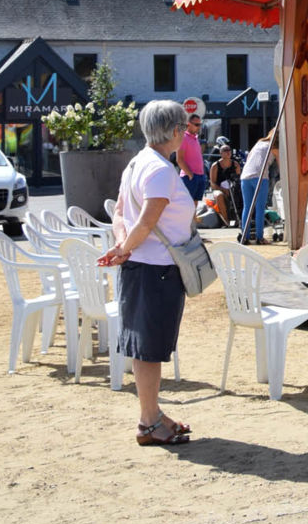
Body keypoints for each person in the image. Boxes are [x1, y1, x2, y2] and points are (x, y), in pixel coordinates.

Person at [97, 100, 195, 446]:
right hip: (157, 269)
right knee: (150, 348)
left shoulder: (138, 163)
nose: (186, 133)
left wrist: (123, 246)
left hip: (145, 266)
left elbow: (121, 214)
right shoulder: (160, 170)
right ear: (173, 131)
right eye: (184, 128)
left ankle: (151, 415)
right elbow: (145, 220)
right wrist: (124, 248)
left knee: (145, 347)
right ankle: (149, 421)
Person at [240, 128, 279, 245]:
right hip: (260, 177)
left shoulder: (259, 143)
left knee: (247, 207)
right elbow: (281, 165)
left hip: (245, 176)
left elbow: (248, 158)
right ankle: (259, 237)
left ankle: (245, 237)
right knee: (260, 208)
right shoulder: (274, 148)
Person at [207, 142, 242, 223]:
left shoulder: (235, 164)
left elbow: (238, 180)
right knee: (219, 195)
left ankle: (239, 218)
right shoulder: (215, 166)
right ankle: (227, 221)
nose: (228, 152)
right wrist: (223, 190)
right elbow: (213, 184)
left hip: (233, 189)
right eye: (225, 150)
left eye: (229, 150)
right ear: (221, 153)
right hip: (220, 189)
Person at [178, 113, 207, 202]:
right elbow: (179, 159)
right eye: (196, 124)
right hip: (189, 177)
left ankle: (193, 217)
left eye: (200, 125)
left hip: (200, 175)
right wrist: (190, 175)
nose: (198, 127)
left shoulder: (195, 138)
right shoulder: (184, 137)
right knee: (187, 204)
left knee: (195, 203)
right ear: (188, 124)